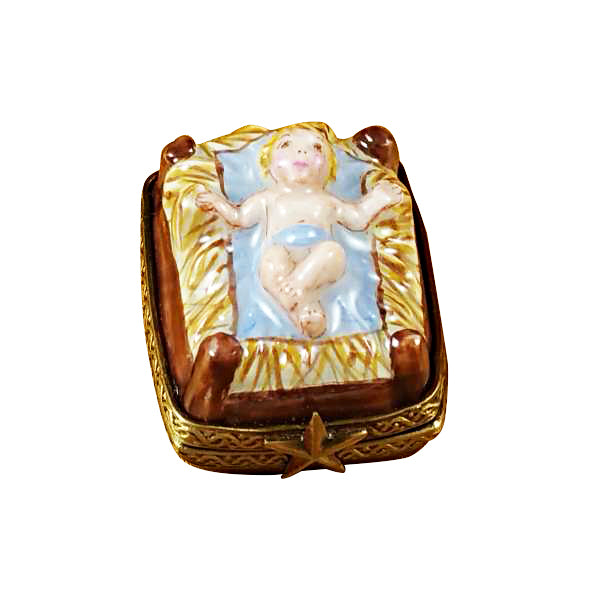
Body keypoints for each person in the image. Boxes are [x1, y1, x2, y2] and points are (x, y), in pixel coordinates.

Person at [195, 124, 403, 338]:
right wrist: (217, 203)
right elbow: (239, 218)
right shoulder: (268, 198)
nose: (302, 151)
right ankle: (303, 309)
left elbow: (357, 218)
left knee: (333, 251)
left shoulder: (327, 200)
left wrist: (378, 200)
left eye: (317, 147)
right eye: (286, 144)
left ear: (329, 169)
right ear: (269, 165)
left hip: (319, 261)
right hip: (281, 252)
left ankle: (297, 287)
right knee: (270, 259)